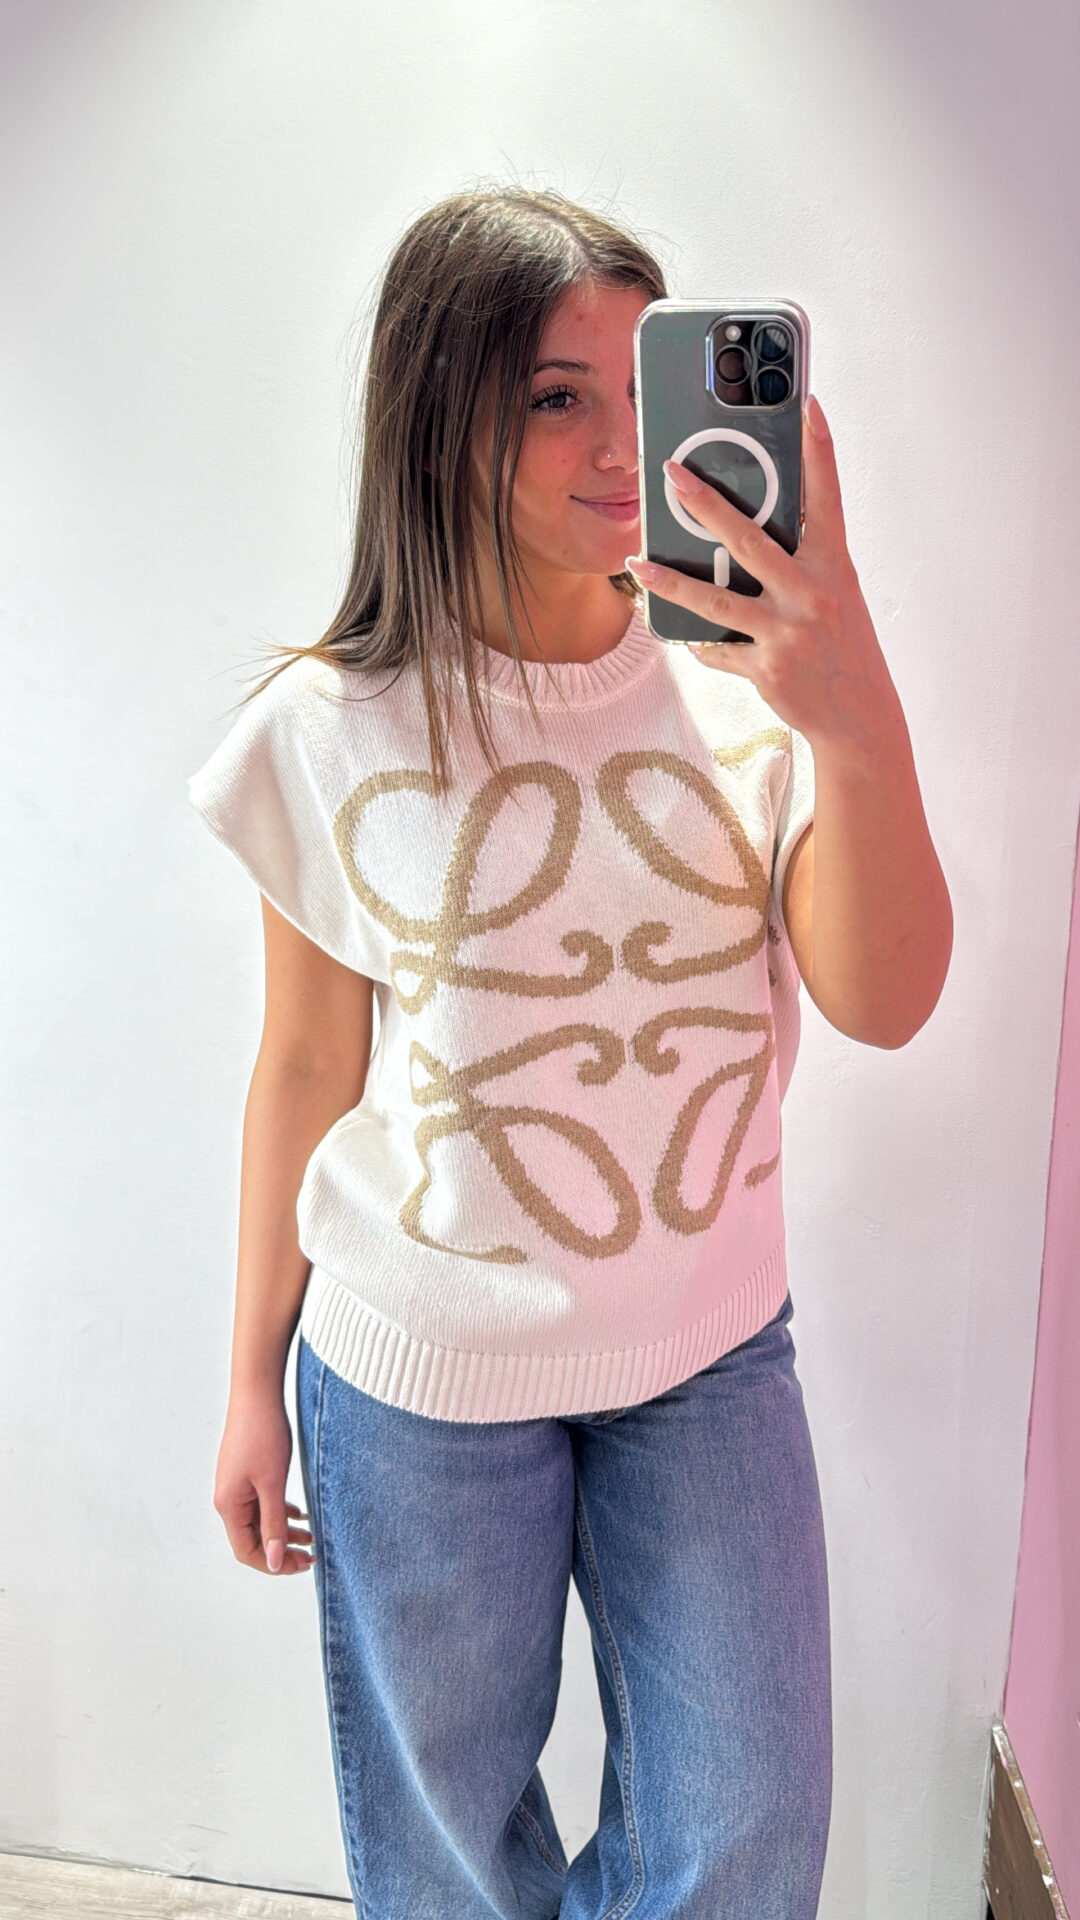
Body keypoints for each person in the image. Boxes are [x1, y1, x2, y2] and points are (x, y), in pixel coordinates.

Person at [187, 185, 952, 1920]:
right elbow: (303, 1068)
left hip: (707, 1352)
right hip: (418, 1379)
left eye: (642, 387)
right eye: (555, 397)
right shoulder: (329, 724)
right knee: (450, 1864)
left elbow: (888, 997)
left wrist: (852, 706)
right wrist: (247, 1382)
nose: (623, 450)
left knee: (743, 1840)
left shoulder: (754, 693)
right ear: (434, 420)